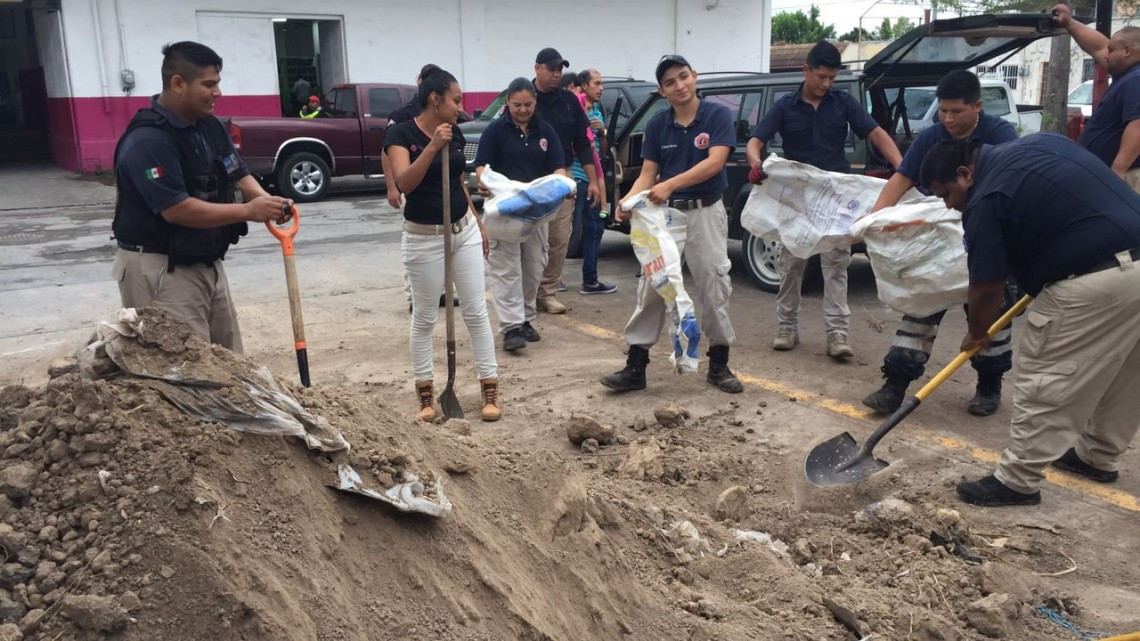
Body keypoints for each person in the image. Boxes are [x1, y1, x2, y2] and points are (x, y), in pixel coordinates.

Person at [919, 135, 1140, 507]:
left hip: (1096, 279)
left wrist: (976, 333)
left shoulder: (986, 197)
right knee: (1128, 373)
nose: (949, 205)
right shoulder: (1039, 144)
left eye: (946, 194)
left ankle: (1017, 480)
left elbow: (986, 288)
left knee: (1048, 377)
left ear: (965, 174)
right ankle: (1097, 456)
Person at [112, 41, 293, 353]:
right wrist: (249, 211)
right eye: (208, 84)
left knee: (230, 361)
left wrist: (269, 202)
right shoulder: (148, 139)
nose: (217, 92)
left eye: (217, 83)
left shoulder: (209, 127)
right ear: (178, 83)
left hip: (206, 263)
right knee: (183, 366)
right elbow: (176, 209)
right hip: (160, 268)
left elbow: (237, 173)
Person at [861, 70, 1018, 417]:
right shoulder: (931, 136)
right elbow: (901, 179)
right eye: (943, 110)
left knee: (990, 315)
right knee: (920, 306)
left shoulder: (1001, 135)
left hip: (987, 234)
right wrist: (872, 220)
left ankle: (989, 385)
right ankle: (894, 385)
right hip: (940, 242)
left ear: (977, 106)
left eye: (955, 111)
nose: (947, 118)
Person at [746, 41, 902, 359]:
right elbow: (755, 141)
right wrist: (755, 164)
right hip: (798, 199)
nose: (827, 83)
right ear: (806, 70)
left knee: (836, 266)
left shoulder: (844, 103)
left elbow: (876, 134)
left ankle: (837, 334)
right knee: (791, 266)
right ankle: (786, 327)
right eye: (821, 77)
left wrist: (903, 168)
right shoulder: (785, 106)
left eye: (832, 77)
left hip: (835, 199)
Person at [601, 54, 742, 395]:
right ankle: (636, 367)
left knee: (713, 286)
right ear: (662, 91)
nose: (679, 85)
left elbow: (715, 163)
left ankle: (719, 364)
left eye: (683, 77)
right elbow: (647, 175)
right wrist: (628, 201)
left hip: (706, 212)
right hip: (665, 218)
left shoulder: (717, 116)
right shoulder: (657, 126)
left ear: (694, 76)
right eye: (670, 82)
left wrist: (670, 184)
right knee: (654, 284)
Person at [384, 66, 501, 422]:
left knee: (476, 310)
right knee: (424, 317)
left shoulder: (456, 133)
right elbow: (405, 183)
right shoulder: (400, 134)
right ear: (435, 100)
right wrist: (433, 146)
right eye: (456, 100)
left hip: (462, 230)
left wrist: (477, 221)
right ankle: (425, 394)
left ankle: (490, 387)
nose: (461, 108)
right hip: (423, 237)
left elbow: (458, 182)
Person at [474, 78, 567, 352]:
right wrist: (485, 182)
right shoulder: (495, 130)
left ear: (535, 102)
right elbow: (481, 167)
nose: (523, 110)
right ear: (508, 103)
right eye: (517, 105)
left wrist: (561, 185)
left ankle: (525, 319)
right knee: (506, 269)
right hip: (504, 211)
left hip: (536, 212)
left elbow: (558, 167)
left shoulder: (546, 131)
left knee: (533, 265)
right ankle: (510, 328)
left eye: (528, 104)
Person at [532, 47, 601, 315]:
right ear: (538, 68)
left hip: (563, 178)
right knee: (531, 241)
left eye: (560, 69)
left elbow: (583, 144)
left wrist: (593, 181)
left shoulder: (570, 102)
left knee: (560, 238)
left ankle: (547, 292)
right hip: (530, 179)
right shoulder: (525, 98)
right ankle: (528, 293)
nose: (557, 74)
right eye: (552, 69)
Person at [1052, 5, 1140, 190]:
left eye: (1111, 50)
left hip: (1126, 178)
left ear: (1127, 51)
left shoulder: (1137, 78)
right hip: (1112, 175)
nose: (1106, 55)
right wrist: (1069, 22)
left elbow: (1138, 125)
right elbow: (1098, 47)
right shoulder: (1127, 74)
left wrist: (1118, 170)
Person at [571, 68, 616, 295]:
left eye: (601, 84)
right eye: (596, 83)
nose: (601, 88)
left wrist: (602, 134)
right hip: (578, 177)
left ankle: (590, 280)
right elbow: (573, 145)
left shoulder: (598, 112)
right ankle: (549, 281)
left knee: (596, 228)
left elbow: (601, 151)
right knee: (567, 231)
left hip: (593, 180)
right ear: (583, 86)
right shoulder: (576, 110)